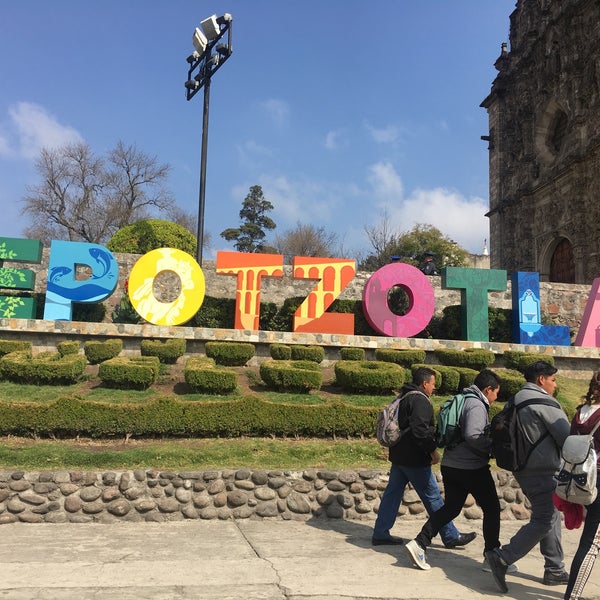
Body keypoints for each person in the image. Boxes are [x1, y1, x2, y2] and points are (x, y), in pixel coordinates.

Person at [486, 361, 571, 593]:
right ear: (541, 379)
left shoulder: (515, 399)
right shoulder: (544, 402)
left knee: (549, 515)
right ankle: (503, 557)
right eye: (553, 380)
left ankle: (554, 569)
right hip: (543, 470)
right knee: (544, 518)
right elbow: (567, 438)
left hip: (523, 468)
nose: (555, 385)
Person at [405, 369, 502, 570]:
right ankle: (492, 555)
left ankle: (420, 542)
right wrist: (491, 449)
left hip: (451, 464)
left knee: (450, 509)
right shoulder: (476, 404)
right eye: (495, 392)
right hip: (472, 467)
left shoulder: (462, 398)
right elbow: (473, 435)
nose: (496, 397)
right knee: (492, 509)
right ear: (487, 389)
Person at [372, 367, 476, 550]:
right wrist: (432, 451)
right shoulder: (420, 400)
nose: (434, 388)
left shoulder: (404, 396)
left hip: (399, 456)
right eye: (433, 384)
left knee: (392, 495)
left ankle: (380, 533)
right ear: (425, 383)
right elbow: (420, 431)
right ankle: (451, 535)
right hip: (415, 459)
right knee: (433, 497)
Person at [564, 371, 600, 600]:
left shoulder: (580, 413)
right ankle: (573, 595)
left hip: (583, 479)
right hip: (599, 479)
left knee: (591, 539)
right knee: (592, 541)